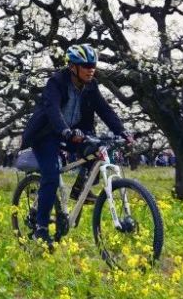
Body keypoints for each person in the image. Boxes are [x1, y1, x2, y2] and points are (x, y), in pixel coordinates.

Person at [19, 44, 133, 246]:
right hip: (47, 134)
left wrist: (122, 131)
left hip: (74, 133)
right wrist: (65, 130)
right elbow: (52, 110)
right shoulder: (56, 82)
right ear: (73, 67)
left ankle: (80, 188)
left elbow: (105, 110)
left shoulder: (91, 85)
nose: (91, 69)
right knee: (52, 176)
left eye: (93, 65)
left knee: (98, 150)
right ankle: (41, 229)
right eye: (86, 66)